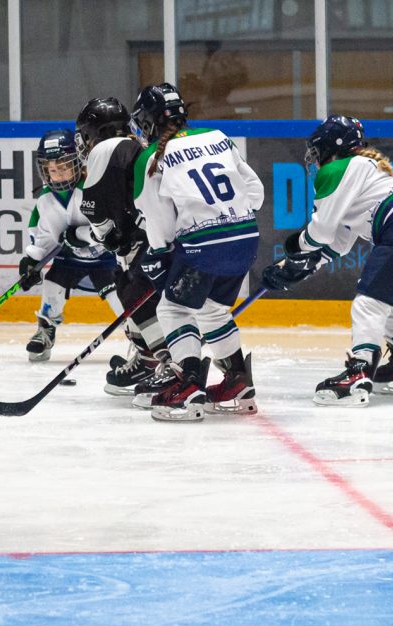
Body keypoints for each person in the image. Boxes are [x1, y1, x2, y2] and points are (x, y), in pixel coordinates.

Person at [262, 114, 393, 406]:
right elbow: (339, 241)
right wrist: (305, 266)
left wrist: (295, 249)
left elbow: (321, 232)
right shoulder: (362, 168)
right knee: (382, 293)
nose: (315, 159)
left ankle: (358, 373)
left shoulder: (335, 170)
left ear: (330, 149)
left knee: (368, 301)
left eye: (317, 150)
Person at [130, 82, 265, 422]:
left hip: (203, 248)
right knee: (213, 308)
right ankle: (237, 380)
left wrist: (160, 251)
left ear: (147, 123)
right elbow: (256, 192)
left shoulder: (151, 158)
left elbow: (159, 220)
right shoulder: (217, 136)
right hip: (246, 237)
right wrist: (224, 215)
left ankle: (189, 384)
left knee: (173, 309)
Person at [74, 97, 169, 395]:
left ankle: (166, 364)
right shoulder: (136, 145)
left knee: (134, 294)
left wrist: (103, 235)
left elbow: (94, 210)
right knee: (130, 288)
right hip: (157, 234)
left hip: (144, 239)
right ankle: (147, 359)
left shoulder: (104, 149)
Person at [19, 129, 123, 362]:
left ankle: (138, 336)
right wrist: (32, 262)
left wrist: (81, 234)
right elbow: (45, 236)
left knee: (120, 298)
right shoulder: (45, 200)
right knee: (53, 281)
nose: (57, 174)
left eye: (64, 166)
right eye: (52, 170)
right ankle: (45, 329)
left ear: (77, 162)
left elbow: (112, 227)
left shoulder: (94, 187)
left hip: (107, 258)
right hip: (71, 260)